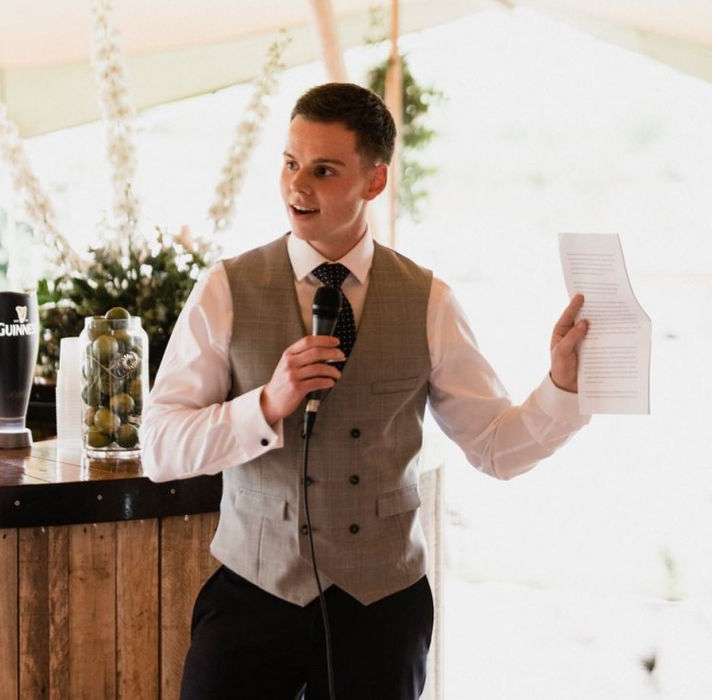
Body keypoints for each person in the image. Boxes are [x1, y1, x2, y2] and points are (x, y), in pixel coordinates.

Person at [142, 82, 590, 700]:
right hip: (252, 596)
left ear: (373, 182)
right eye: (291, 163)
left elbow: (495, 448)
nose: (299, 186)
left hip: (382, 610)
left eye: (324, 170)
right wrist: (266, 404)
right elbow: (160, 447)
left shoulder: (428, 301)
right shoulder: (225, 288)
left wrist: (562, 385)